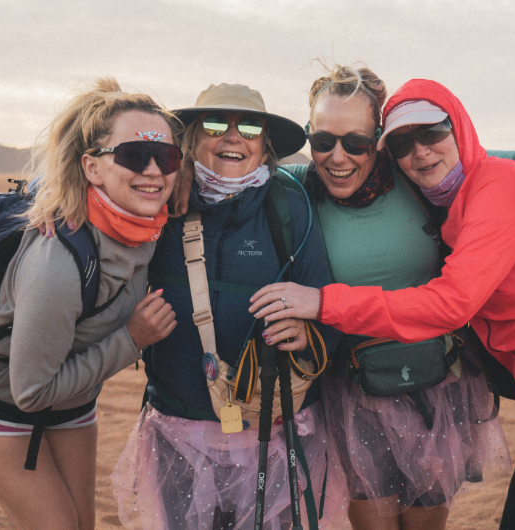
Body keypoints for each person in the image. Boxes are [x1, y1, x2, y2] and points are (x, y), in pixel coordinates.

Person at [250, 78, 515, 530]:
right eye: (403, 143)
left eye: (433, 133)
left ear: (459, 129)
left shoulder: (499, 189)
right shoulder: (449, 195)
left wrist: (324, 303)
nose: (421, 152)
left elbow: (452, 305)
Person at [277, 64, 515, 530]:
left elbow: (503, 160)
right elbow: (241, 180)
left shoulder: (418, 177)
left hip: (438, 383)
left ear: (379, 140)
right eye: (322, 140)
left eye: (356, 143)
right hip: (354, 390)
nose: (338, 157)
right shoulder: (301, 188)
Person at [0, 78, 180, 530]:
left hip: (72, 397)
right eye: (133, 155)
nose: (153, 171)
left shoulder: (148, 225)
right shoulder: (56, 264)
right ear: (92, 168)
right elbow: (31, 392)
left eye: (166, 157)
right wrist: (132, 339)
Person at [110, 83, 343, 530]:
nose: (233, 136)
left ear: (265, 145)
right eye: (216, 124)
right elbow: (88, 185)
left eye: (250, 127)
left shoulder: (290, 205)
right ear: (192, 138)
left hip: (274, 436)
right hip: (178, 432)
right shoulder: (158, 196)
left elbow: (327, 305)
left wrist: (309, 333)